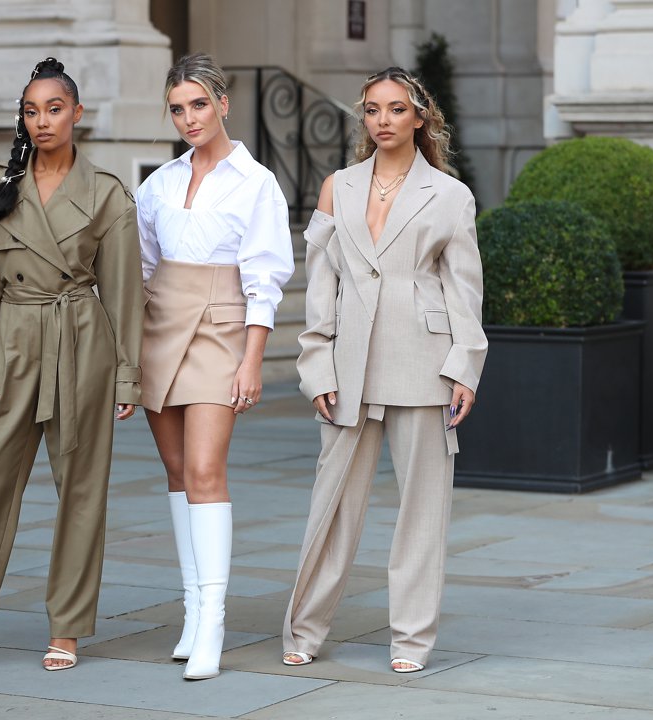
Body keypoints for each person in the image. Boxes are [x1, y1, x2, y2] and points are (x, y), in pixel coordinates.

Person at [0, 58, 142, 676]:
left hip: (82, 342)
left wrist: (127, 376)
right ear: (22, 118)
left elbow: (126, 294)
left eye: (55, 109)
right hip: (13, 344)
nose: (44, 120)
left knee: (81, 492)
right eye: (32, 110)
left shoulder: (106, 193)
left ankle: (68, 628)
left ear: (77, 114)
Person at [281, 67, 487, 673]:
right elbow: (321, 285)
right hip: (348, 364)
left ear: (420, 117)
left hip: (423, 363)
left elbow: (464, 291)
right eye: (373, 110)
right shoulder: (336, 187)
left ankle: (412, 641)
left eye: (397, 109)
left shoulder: (451, 195)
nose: (384, 120)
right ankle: (305, 627)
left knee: (423, 510)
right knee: (332, 507)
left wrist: (464, 368)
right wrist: (316, 365)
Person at [136, 52, 294, 681]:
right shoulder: (159, 183)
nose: (189, 118)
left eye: (199, 104)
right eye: (177, 108)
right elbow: (143, 268)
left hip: (222, 329)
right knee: (176, 471)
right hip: (161, 327)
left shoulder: (256, 183)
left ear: (223, 103)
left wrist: (252, 359)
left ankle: (214, 623)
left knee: (205, 469)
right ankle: (190, 607)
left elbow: (266, 278)